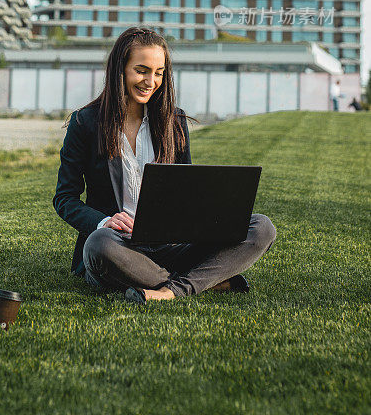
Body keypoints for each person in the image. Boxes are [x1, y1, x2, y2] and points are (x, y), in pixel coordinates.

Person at [53, 27, 276, 304]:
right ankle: (205, 280)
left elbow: (185, 192)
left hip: (172, 245)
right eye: (142, 70)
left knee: (261, 227)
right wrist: (104, 221)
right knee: (97, 245)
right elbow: (64, 199)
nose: (150, 81)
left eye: (158, 72)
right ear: (119, 70)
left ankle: (171, 290)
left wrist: (209, 215)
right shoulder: (84, 123)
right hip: (119, 246)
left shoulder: (174, 122)